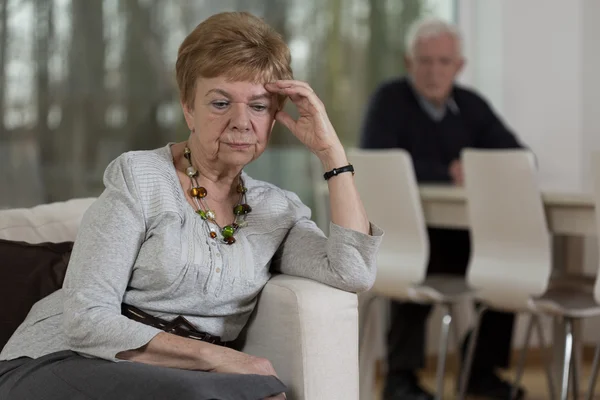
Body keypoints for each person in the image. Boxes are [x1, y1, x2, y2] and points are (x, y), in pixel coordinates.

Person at [0, 12, 383, 400]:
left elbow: (352, 272)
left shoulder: (276, 210)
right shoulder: (139, 176)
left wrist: (331, 153)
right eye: (220, 103)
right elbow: (85, 321)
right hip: (63, 359)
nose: (240, 122)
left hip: (180, 375)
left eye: (259, 106)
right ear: (188, 109)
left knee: (265, 394)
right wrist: (220, 359)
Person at [360, 18, 526, 400]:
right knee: (412, 252)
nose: (434, 70)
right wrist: (448, 173)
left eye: (443, 62)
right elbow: (373, 163)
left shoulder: (471, 106)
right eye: (425, 61)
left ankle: (479, 370)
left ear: (459, 66)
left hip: (463, 236)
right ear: (409, 62)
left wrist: (477, 170)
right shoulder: (389, 101)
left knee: (510, 259)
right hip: (400, 233)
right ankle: (399, 379)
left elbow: (517, 157)